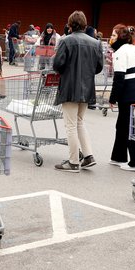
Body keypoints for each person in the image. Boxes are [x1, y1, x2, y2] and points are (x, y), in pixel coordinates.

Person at [52, 11, 103, 173]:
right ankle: (88, 156)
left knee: (71, 125)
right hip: (87, 87)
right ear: (85, 25)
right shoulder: (96, 43)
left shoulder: (66, 41)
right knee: (80, 121)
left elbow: (57, 64)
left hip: (69, 87)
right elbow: (99, 67)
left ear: (70, 25)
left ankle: (73, 162)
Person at [107, 24, 135, 171]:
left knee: (128, 127)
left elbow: (119, 77)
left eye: (113, 35)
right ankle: (118, 157)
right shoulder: (133, 48)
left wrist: (112, 98)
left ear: (120, 37)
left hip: (127, 93)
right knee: (122, 125)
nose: (111, 38)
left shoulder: (120, 52)